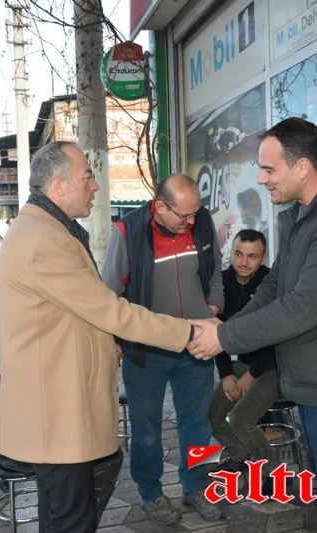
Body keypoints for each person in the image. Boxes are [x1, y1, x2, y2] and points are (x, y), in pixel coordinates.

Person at [188, 117, 317, 533]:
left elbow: (304, 307)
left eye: (269, 169)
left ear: (302, 167)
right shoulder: (304, 216)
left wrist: (223, 337)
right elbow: (275, 287)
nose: (261, 179)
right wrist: (225, 330)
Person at [0, 141, 194, 533]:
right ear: (60, 186)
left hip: (60, 409)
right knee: (71, 518)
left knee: (66, 512)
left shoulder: (46, 229)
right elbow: (108, 309)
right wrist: (187, 331)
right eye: (87, 176)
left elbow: (70, 314)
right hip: (56, 415)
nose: (96, 186)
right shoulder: (45, 239)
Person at [101, 173, 225, 525]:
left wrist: (214, 305)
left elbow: (216, 270)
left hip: (197, 344)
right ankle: (151, 493)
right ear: (159, 207)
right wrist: (117, 338)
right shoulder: (127, 232)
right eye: (184, 216)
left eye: (195, 214)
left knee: (198, 423)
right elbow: (109, 293)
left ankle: (196, 486)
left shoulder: (201, 223)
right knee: (146, 430)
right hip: (146, 350)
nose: (192, 222)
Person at [208, 229, 278, 471]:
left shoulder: (272, 284)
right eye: (239, 254)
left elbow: (280, 338)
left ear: (263, 257)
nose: (244, 262)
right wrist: (227, 374)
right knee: (211, 416)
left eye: (252, 256)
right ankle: (242, 459)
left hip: (274, 366)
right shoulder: (221, 283)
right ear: (231, 252)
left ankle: (273, 474)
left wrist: (252, 375)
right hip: (241, 364)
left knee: (240, 419)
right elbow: (217, 332)